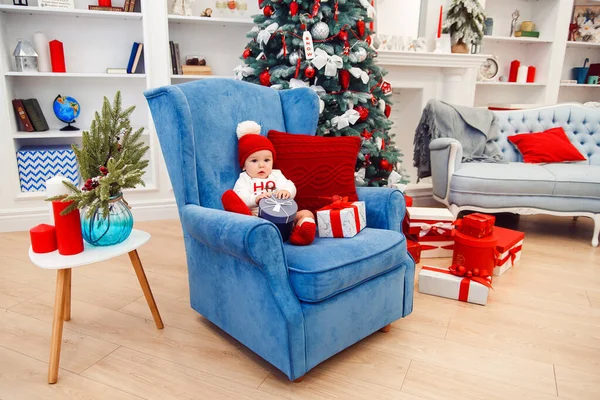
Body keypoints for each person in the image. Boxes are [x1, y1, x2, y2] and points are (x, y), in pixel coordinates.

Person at [222, 121, 316, 246]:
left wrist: (287, 191)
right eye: (254, 161)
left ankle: (301, 234)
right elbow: (240, 196)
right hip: (259, 217)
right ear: (244, 165)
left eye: (266, 160)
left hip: (284, 217)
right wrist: (255, 199)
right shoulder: (244, 179)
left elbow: (290, 185)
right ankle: (262, 234)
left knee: (306, 213)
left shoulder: (276, 175)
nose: (262, 165)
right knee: (242, 212)